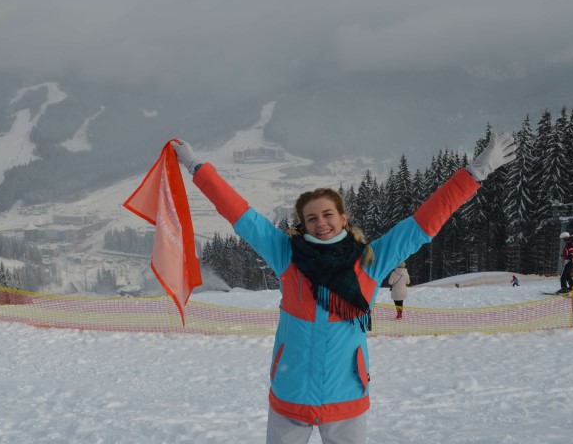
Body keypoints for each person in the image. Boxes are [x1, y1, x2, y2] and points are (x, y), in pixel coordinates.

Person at [172, 133, 515, 444]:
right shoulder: (286, 255)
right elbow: (240, 214)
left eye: (327, 214)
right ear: (303, 225)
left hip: (346, 394)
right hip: (291, 393)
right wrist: (196, 167)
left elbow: (424, 221)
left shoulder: (370, 260)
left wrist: (475, 173)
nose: (320, 223)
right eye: (311, 218)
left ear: (342, 218)